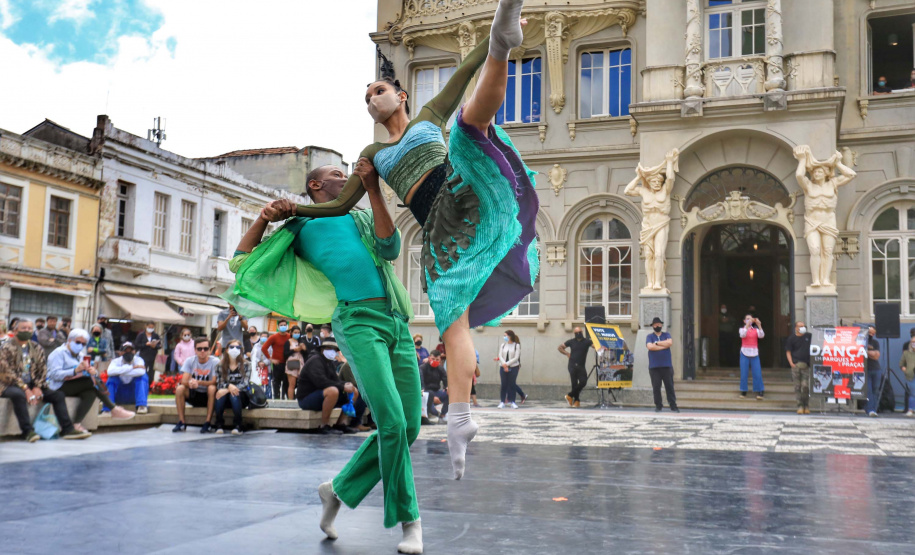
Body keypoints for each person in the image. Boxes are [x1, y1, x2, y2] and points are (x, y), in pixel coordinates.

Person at [280, 0, 536, 486]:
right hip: (437, 234)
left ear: (399, 97)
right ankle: (459, 419)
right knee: (451, 324)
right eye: (365, 96)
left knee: (466, 125)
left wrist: (487, 42)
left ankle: (503, 41)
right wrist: (294, 208)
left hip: (461, 191)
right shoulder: (371, 153)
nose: (371, 97)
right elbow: (337, 207)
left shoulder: (425, 118)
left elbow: (462, 72)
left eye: (378, 90)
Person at [226, 161, 424, 549]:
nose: (344, 174)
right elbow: (241, 261)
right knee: (391, 421)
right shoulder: (300, 225)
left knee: (410, 425)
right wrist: (265, 218)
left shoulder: (362, 216)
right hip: (356, 321)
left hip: (396, 320)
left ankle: (337, 489)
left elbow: (391, 247)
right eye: (336, 172)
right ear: (315, 184)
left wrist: (372, 189)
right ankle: (409, 520)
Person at [0, 319, 91, 441]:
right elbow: (6, 372)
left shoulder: (36, 347)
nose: (27, 331)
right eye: (23, 328)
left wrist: (37, 387)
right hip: (8, 384)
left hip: (32, 384)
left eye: (29, 328)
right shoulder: (5, 347)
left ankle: (67, 429)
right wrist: (26, 389)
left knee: (57, 395)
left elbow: (42, 369)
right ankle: (27, 432)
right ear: (15, 330)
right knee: (18, 395)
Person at [47, 329, 135, 432]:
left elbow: (85, 373)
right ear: (69, 340)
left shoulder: (80, 355)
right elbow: (53, 375)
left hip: (73, 384)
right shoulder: (58, 353)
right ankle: (114, 409)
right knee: (90, 382)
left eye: (83, 344)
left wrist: (93, 372)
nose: (80, 345)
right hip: (57, 386)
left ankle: (76, 424)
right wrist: (75, 370)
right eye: (78, 342)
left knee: (91, 392)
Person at [296, 337, 357, 434]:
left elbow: (335, 380)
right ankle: (324, 425)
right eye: (329, 349)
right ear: (322, 349)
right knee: (333, 391)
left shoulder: (329, 363)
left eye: (334, 350)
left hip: (321, 395)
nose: (332, 352)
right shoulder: (315, 360)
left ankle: (341, 423)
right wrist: (342, 386)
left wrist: (346, 384)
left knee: (354, 391)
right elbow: (321, 382)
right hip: (307, 398)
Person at [173, 337, 219, 433]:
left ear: (209, 350)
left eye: (205, 349)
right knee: (180, 388)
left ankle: (207, 422)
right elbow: (184, 381)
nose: (202, 351)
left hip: (208, 395)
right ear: (195, 350)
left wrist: (198, 383)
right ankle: (182, 422)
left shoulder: (215, 361)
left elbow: (214, 381)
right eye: (199, 349)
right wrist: (190, 383)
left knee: (212, 388)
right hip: (194, 393)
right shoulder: (190, 361)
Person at [214, 339, 250, 435]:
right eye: (232, 347)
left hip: (241, 395)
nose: (235, 349)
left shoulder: (246, 364)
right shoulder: (220, 365)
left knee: (234, 395)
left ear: (241, 350)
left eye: (237, 347)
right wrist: (228, 387)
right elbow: (219, 382)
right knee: (220, 396)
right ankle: (219, 424)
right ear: (226, 350)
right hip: (225, 395)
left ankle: (238, 425)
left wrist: (229, 389)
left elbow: (245, 383)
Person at [105, 342, 149, 415]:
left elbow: (141, 372)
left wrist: (119, 371)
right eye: (126, 351)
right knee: (112, 379)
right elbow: (109, 372)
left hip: (133, 394)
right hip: (120, 394)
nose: (128, 352)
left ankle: (141, 406)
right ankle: (107, 409)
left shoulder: (139, 360)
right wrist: (132, 367)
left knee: (142, 377)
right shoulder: (115, 361)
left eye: (131, 350)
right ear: (121, 353)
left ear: (134, 351)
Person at [646, 317, 679, 413]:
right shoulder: (649, 336)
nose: (657, 326)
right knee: (656, 387)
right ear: (652, 326)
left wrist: (656, 343)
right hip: (654, 367)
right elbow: (650, 347)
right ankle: (658, 406)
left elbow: (670, 343)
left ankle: (673, 405)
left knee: (669, 386)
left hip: (667, 366)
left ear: (661, 325)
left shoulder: (666, 334)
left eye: (659, 324)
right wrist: (663, 347)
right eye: (655, 324)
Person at [559, 327, 593, 408]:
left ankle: (570, 395)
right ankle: (576, 401)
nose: (578, 334)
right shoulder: (571, 341)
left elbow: (594, 346)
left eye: (579, 332)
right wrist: (567, 353)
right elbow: (560, 348)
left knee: (583, 382)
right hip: (572, 365)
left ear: (582, 332)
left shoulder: (587, 341)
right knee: (574, 384)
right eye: (576, 333)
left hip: (581, 365)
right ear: (574, 334)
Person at [785, 321, 812, 414]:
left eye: (804, 326)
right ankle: (800, 405)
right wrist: (791, 363)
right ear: (796, 328)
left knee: (805, 386)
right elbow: (788, 351)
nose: (802, 328)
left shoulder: (808, 336)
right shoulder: (791, 338)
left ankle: (806, 404)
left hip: (806, 365)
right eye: (800, 326)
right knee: (797, 386)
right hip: (796, 365)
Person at [262, 319, 291, 399]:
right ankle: (277, 399)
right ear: (278, 327)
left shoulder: (289, 336)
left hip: (288, 364)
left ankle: (286, 400)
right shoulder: (274, 337)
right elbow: (264, 348)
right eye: (281, 325)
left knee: (286, 383)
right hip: (277, 364)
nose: (283, 326)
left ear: (287, 326)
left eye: (284, 325)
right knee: (276, 383)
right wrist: (271, 359)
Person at [339, 358, 370, 431]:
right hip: (345, 392)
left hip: (354, 390)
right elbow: (354, 383)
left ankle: (371, 421)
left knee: (375, 395)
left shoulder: (360, 365)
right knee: (362, 395)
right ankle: (355, 423)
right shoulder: (348, 365)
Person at [739, 314, 765, 400]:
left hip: (754, 353)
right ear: (744, 321)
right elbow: (742, 335)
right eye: (747, 319)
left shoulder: (756, 330)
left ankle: (760, 390)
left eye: (750, 319)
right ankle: (743, 390)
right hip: (744, 353)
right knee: (744, 373)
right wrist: (747, 325)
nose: (749, 320)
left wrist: (759, 325)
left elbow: (762, 335)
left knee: (757, 373)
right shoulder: (742, 329)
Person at [496, 330, 522, 409]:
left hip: (513, 366)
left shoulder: (516, 345)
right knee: (504, 384)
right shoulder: (503, 345)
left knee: (512, 384)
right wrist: (504, 364)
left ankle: (512, 401)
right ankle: (502, 401)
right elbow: (500, 355)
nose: (504, 337)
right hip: (503, 366)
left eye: (505, 335)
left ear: (510, 336)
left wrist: (507, 364)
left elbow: (516, 357)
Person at [421, 350, 448, 423]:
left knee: (450, 393)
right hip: (426, 394)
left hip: (436, 392)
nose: (435, 361)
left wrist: (447, 387)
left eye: (437, 359)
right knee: (433, 411)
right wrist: (432, 397)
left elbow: (445, 379)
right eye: (433, 359)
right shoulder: (423, 368)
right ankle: (435, 414)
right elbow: (421, 383)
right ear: (429, 358)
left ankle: (443, 415)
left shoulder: (440, 368)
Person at [284, 325, 307, 401]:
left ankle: (300, 399)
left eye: (298, 332)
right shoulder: (288, 342)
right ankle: (290, 400)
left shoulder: (301, 341)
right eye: (295, 332)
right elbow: (285, 353)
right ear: (291, 333)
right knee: (292, 384)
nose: (297, 334)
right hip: (292, 363)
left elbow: (306, 353)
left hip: (300, 363)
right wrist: (294, 350)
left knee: (302, 383)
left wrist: (304, 349)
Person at [865, 325, 882, 417]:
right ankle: (870, 409)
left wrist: (866, 351)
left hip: (876, 369)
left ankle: (874, 409)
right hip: (866, 369)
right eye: (870, 332)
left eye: (873, 333)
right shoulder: (862, 341)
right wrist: (871, 352)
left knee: (876, 390)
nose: (871, 334)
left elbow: (876, 356)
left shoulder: (875, 342)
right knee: (869, 391)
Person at [897, 336, 915, 417]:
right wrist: (905, 370)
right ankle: (911, 409)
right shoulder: (906, 353)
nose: (913, 343)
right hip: (910, 376)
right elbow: (901, 364)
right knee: (912, 393)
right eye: (912, 342)